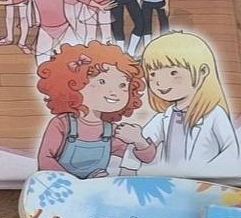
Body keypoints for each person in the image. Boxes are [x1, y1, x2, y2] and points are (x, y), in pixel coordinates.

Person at [33, 43, 157, 178]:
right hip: (63, 185)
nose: (114, 92)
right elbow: (45, 159)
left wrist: (139, 141)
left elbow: (144, 158)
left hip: (97, 186)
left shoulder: (111, 131)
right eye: (102, 82)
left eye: (122, 85)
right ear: (75, 84)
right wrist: (74, 183)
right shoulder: (62, 124)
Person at [131, 31, 238, 171]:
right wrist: (136, 139)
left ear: (203, 72)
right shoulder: (164, 117)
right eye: (153, 74)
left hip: (204, 179)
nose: (159, 82)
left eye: (173, 73)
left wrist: (206, 172)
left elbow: (231, 151)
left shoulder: (215, 115)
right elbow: (145, 143)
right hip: (170, 179)